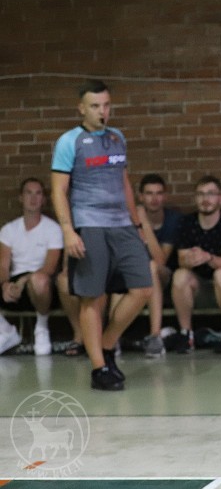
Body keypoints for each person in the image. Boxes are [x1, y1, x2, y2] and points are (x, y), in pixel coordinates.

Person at [50, 79, 153, 391]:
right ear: (82, 108)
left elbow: (124, 183)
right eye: (95, 106)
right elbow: (59, 190)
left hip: (122, 223)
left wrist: (137, 225)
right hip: (89, 223)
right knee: (93, 296)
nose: (102, 111)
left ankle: (106, 345)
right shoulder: (69, 141)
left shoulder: (117, 137)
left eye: (106, 105)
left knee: (143, 288)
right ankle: (99, 368)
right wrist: (68, 231)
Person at [169, 175, 221, 355]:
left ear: (220, 198)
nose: (206, 199)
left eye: (211, 194)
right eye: (201, 194)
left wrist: (207, 257)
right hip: (200, 287)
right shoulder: (187, 223)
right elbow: (181, 259)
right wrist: (190, 259)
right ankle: (186, 335)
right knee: (180, 275)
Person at [0, 178, 64, 356]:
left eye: (38, 193)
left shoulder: (53, 229)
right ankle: (6, 331)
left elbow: (50, 267)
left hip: (42, 287)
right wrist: (5, 284)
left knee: (39, 280)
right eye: (28, 193)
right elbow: (3, 266)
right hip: (15, 286)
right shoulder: (8, 230)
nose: (33, 198)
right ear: (21, 197)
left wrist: (23, 281)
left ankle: (41, 328)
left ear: (43, 199)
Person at [131, 173, 182, 357]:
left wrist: (144, 223)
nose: (154, 199)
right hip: (136, 276)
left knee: (152, 266)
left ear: (165, 196)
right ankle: (113, 341)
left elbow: (161, 260)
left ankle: (155, 336)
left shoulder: (173, 220)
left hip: (165, 277)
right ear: (141, 197)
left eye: (159, 193)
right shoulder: (129, 219)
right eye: (149, 193)